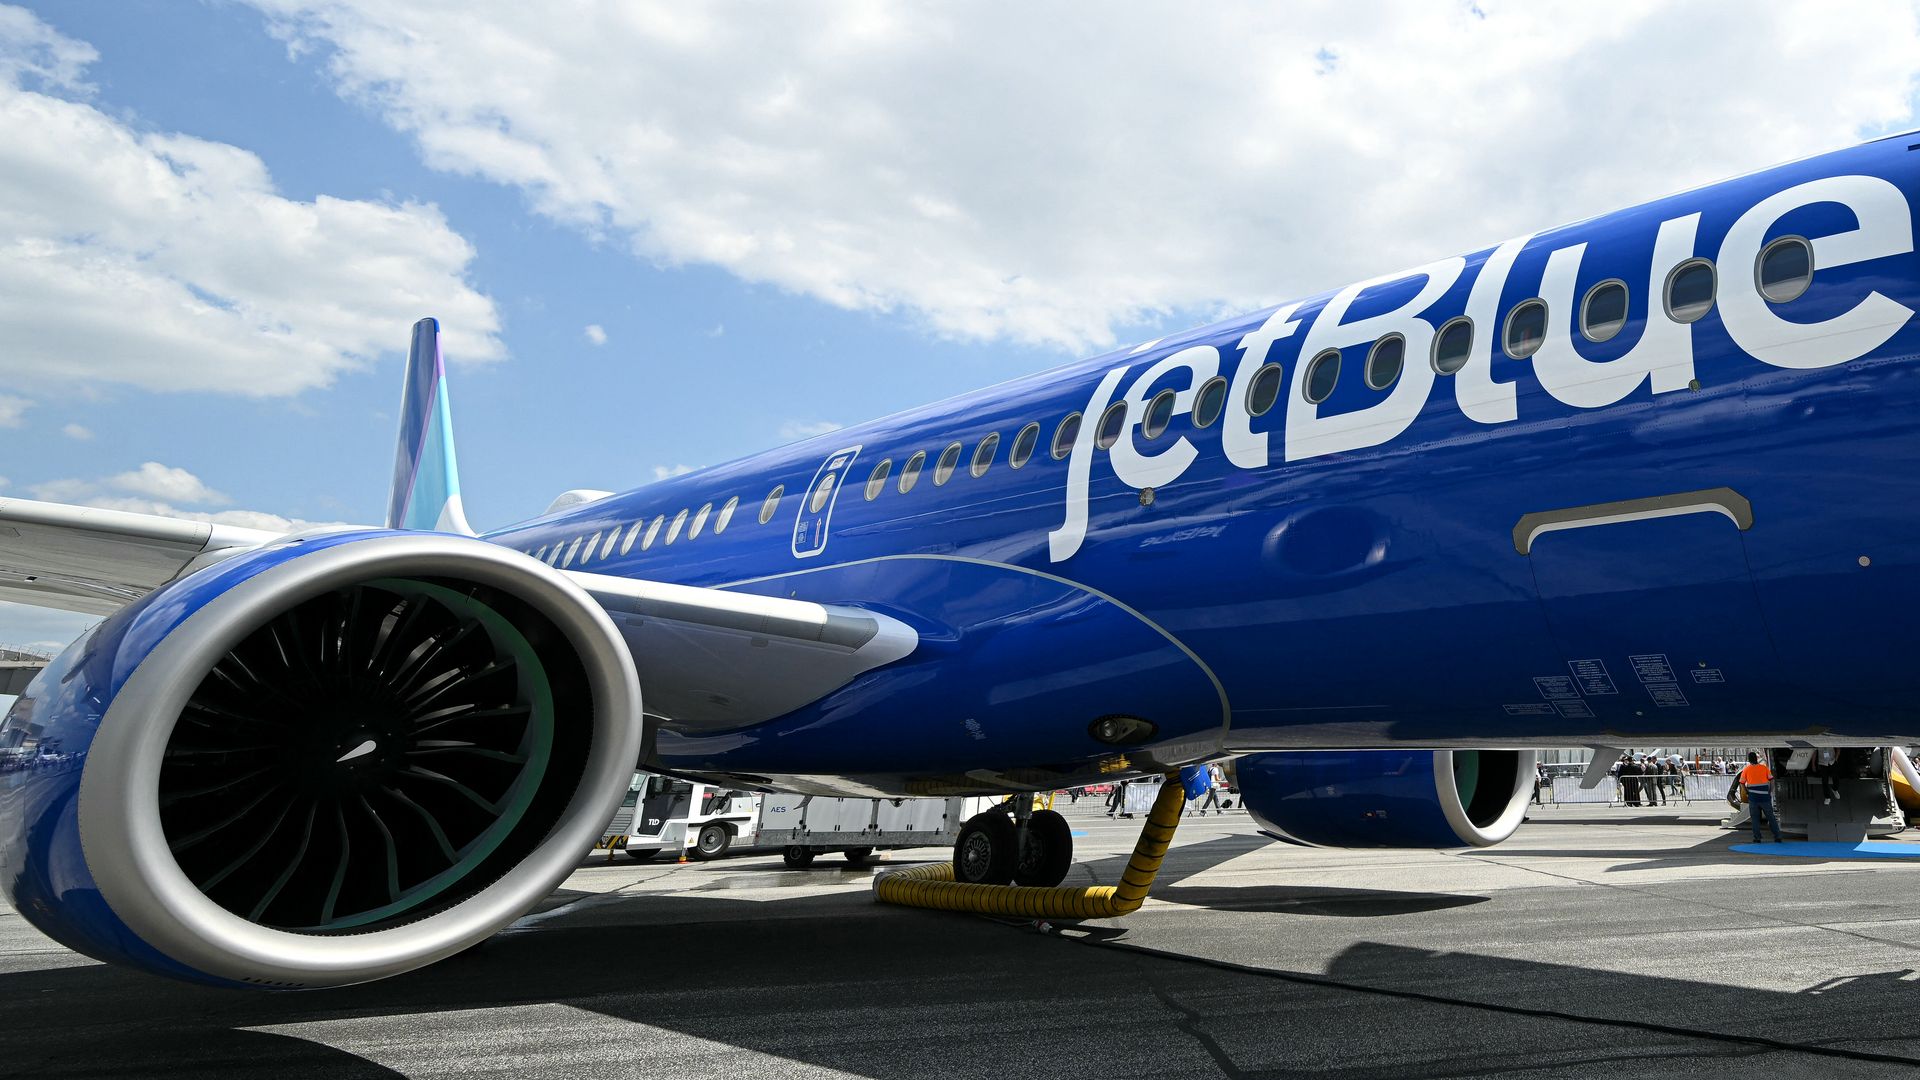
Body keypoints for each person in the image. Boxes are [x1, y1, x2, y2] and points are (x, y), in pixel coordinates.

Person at [1738, 750, 1784, 842]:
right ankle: (1777, 836)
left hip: (1753, 798)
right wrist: (1770, 790)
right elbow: (1771, 780)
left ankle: (1757, 838)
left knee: (1755, 819)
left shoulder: (1746, 770)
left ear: (1749, 760)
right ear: (1756, 759)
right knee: (1771, 817)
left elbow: (1742, 783)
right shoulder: (1764, 768)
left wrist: (1747, 792)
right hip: (1765, 797)